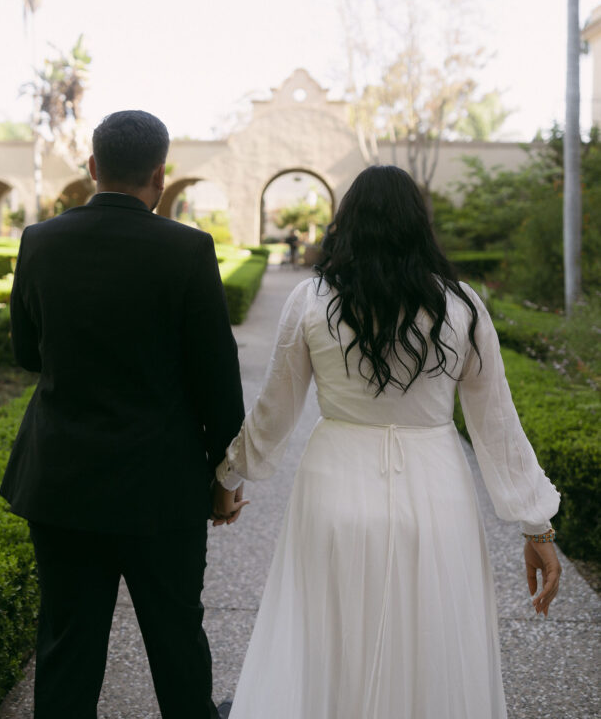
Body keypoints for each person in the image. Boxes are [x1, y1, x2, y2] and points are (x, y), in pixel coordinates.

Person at [213, 165, 561, 719]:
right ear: (419, 225)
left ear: (345, 223)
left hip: (334, 487)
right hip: (436, 488)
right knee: (429, 636)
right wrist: (537, 525)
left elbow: (272, 414)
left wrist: (226, 480)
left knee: (327, 635)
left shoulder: (311, 300)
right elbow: (497, 423)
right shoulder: (462, 304)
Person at [0, 109, 245, 719]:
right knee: (177, 637)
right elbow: (218, 376)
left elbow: (27, 354)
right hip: (162, 484)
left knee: (66, 641)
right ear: (159, 177)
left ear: (91, 168)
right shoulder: (189, 249)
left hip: (62, 479)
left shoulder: (39, 241)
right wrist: (225, 475)